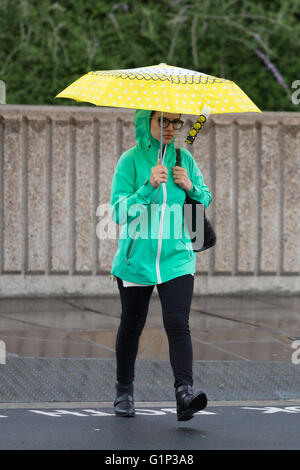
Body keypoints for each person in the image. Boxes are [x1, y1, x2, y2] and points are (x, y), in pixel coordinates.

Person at [109, 109, 212, 421]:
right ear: (146, 123)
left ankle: (185, 393)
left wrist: (190, 187)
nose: (170, 128)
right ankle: (124, 390)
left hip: (177, 257)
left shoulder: (184, 160)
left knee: (178, 323)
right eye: (162, 121)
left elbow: (204, 198)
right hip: (136, 259)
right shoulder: (130, 161)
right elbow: (117, 212)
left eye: (175, 122)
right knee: (132, 325)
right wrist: (147, 187)